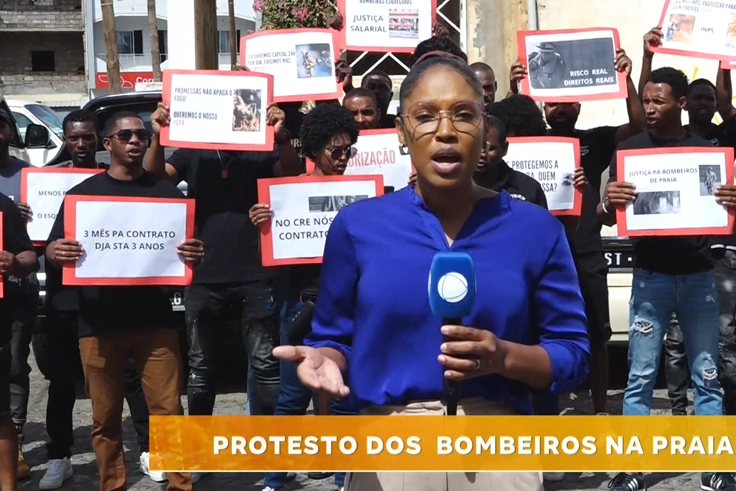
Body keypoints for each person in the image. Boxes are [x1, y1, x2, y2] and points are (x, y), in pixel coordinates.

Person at [274, 55, 590, 491]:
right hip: (389, 450)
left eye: (463, 114)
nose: (445, 131)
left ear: (484, 128)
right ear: (403, 132)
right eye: (425, 117)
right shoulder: (358, 227)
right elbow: (333, 336)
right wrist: (323, 360)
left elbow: (573, 353)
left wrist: (504, 357)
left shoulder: (537, 229)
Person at [598, 67, 736, 491]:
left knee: (707, 373)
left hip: (699, 277)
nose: (649, 107)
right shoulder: (627, 151)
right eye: (645, 100)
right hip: (650, 279)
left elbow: (726, 217)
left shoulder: (707, 152)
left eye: (658, 100)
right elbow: (604, 217)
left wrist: (733, 204)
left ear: (680, 104)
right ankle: (631, 470)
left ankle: (714, 468)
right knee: (641, 375)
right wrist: (609, 203)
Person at [45, 111, 203, 491]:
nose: (135, 140)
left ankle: (181, 484)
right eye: (125, 135)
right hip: (98, 323)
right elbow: (51, 249)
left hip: (156, 321)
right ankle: (112, 484)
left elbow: (187, 251)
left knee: (169, 412)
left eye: (141, 135)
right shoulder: (82, 195)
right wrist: (56, 250)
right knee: (105, 418)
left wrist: (195, 252)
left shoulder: (167, 194)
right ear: (108, 144)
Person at [144, 100, 300, 446]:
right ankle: (199, 448)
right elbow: (156, 178)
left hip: (256, 272)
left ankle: (271, 447)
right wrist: (157, 138)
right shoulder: (194, 151)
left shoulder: (260, 149)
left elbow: (289, 174)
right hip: (203, 273)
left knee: (265, 364)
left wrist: (282, 136)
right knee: (200, 369)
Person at [637, 21, 736, 419]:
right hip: (673, 253)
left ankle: (727, 414)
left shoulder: (724, 135)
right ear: (682, 103)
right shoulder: (659, 138)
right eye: (696, 98)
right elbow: (642, 102)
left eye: (709, 98)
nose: (704, 104)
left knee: (722, 338)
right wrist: (647, 57)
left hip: (720, 253)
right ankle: (680, 412)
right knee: (675, 342)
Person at [505, 49, 644, 423]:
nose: (561, 109)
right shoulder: (529, 141)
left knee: (596, 336)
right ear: (543, 107)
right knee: (535, 335)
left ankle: (600, 411)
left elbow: (638, 124)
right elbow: (503, 129)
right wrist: (516, 86)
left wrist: (626, 77)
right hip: (534, 253)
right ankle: (542, 416)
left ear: (579, 104)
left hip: (584, 250)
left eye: (568, 102)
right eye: (553, 103)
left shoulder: (593, 141)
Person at [35, 110, 158, 489]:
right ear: (66, 141)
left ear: (99, 141)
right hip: (68, 299)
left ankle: (151, 450)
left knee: (135, 380)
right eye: (75, 138)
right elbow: (47, 244)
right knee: (64, 382)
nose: (82, 144)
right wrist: (50, 246)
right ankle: (60, 455)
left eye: (88, 137)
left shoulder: (137, 185)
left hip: (116, 299)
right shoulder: (53, 183)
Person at [252, 103, 361, 491]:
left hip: (351, 309)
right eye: (336, 150)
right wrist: (266, 226)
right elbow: (275, 254)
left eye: (349, 149)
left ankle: (347, 477)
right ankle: (273, 479)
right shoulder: (288, 194)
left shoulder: (363, 197)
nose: (344, 157)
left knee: (346, 398)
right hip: (301, 304)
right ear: (314, 150)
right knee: (291, 397)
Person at [0, 110, 37, 480]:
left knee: (13, 367)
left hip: (14, 293)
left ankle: (17, 443)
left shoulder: (32, 176)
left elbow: (31, 249)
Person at [476, 115, 545, 205]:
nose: (482, 154)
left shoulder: (529, 188)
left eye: (490, 148)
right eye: (476, 147)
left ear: (504, 148)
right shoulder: (454, 188)